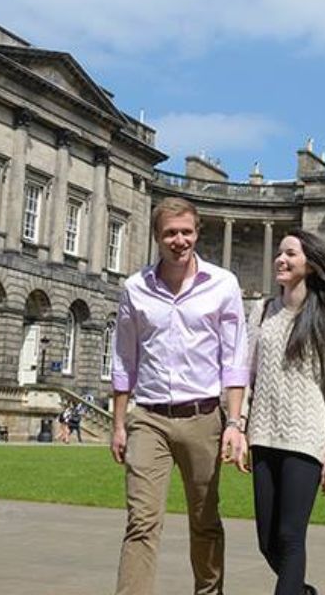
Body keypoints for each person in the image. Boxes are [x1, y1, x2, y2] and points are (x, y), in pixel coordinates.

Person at [109, 196, 249, 595]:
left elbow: (234, 359)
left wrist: (234, 424)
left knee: (205, 520)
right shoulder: (135, 288)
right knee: (141, 521)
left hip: (203, 416)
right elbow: (125, 359)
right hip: (148, 417)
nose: (179, 240)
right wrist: (119, 424)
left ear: (197, 233)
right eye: (170, 233)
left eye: (186, 232)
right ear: (157, 237)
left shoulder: (223, 284)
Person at [243, 230, 325, 595]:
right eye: (279, 253)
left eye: (290, 253)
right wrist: (240, 424)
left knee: (291, 536)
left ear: (310, 263)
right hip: (262, 434)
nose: (281, 259)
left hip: (306, 440)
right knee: (267, 541)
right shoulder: (261, 310)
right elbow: (247, 372)